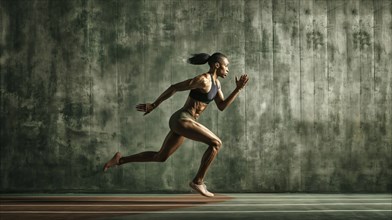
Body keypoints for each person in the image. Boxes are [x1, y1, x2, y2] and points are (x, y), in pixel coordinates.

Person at [103, 52, 249, 197]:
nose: (228, 69)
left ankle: (120, 160)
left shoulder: (217, 84)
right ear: (217, 65)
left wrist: (238, 89)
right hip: (182, 119)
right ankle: (198, 181)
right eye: (226, 66)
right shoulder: (203, 80)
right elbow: (174, 87)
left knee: (160, 157)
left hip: (188, 122)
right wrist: (154, 105)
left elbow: (222, 106)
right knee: (216, 143)